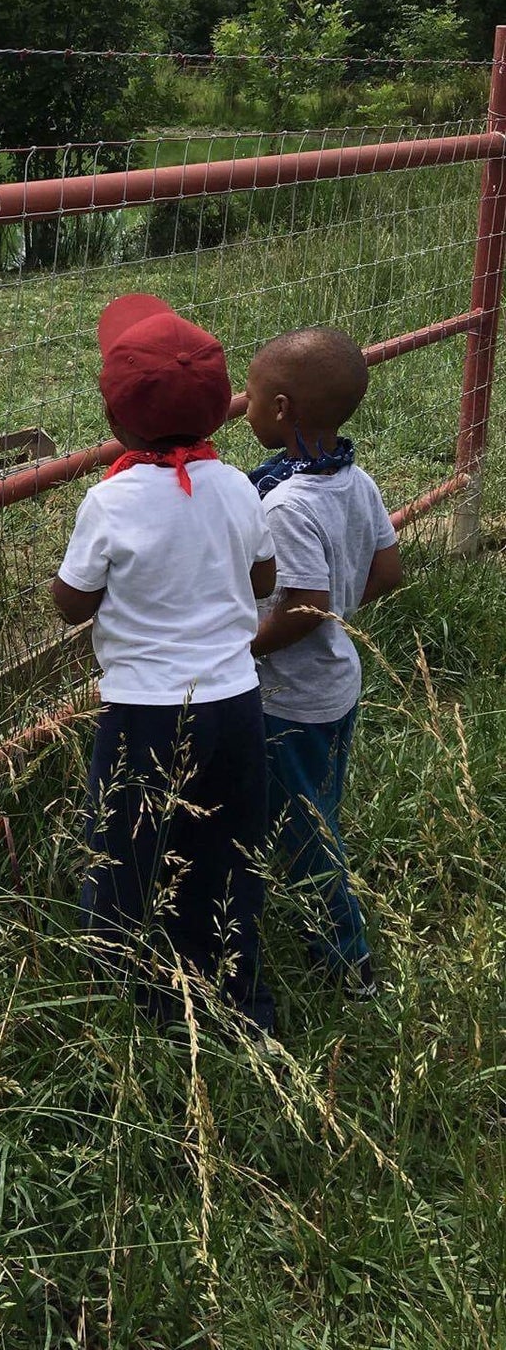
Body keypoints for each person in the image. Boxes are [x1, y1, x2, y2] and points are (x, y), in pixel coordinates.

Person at [52, 293, 278, 1031]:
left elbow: (71, 602)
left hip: (145, 712)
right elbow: (262, 580)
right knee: (227, 851)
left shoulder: (109, 501)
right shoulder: (240, 485)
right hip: (237, 703)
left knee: (128, 856)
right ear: (220, 411)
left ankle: (133, 1006)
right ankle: (243, 1002)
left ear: (115, 419)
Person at [244, 327, 403, 993]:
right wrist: (342, 602)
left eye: (247, 395)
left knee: (306, 839)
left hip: (290, 699)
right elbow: (387, 569)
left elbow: (304, 603)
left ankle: (347, 962)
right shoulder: (353, 478)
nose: (240, 405)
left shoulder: (285, 503)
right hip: (336, 684)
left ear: (280, 409)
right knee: (315, 810)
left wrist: (237, 645)